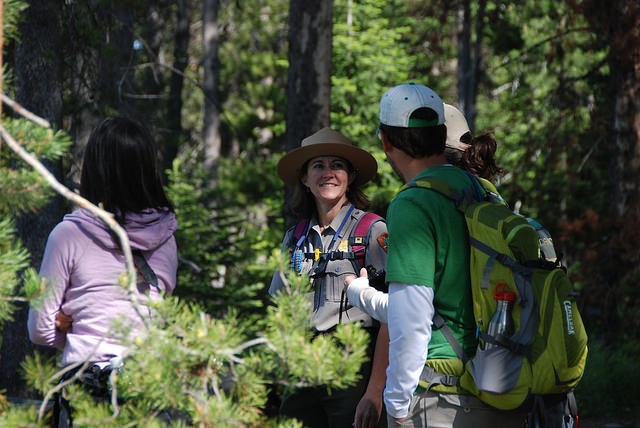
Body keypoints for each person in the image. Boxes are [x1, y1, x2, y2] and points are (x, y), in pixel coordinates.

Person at [345, 83, 526, 427]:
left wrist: (398, 406)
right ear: (442, 133)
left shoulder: (413, 204)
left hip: (444, 397)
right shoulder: (482, 192)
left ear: (385, 141)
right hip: (500, 380)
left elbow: (411, 318)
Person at [28, 117, 178, 425]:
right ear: (147, 170)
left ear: (94, 168)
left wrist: (76, 327)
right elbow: (157, 313)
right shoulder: (165, 236)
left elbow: (39, 330)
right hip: (147, 388)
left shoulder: (69, 235)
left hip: (85, 391)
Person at [269, 127, 389, 428]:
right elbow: (279, 310)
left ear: (350, 176)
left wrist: (375, 391)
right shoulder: (294, 239)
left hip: (354, 370)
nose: (328, 173)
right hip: (302, 372)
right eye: (318, 166)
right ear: (305, 179)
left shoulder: (372, 231)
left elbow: (394, 315)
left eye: (337, 165)